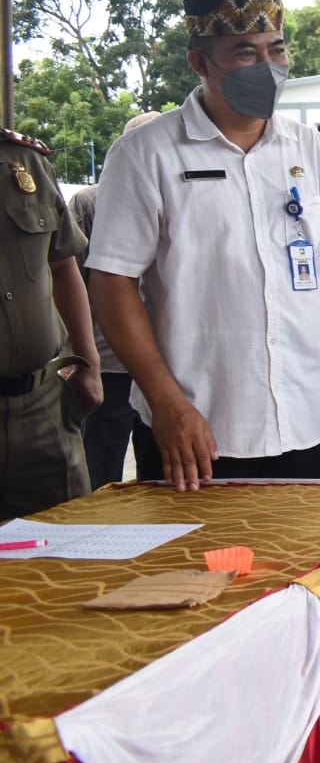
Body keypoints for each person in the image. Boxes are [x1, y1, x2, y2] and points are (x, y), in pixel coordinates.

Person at [87, 0, 320, 489]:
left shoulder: (310, 150)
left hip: (304, 424)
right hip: (193, 430)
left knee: (300, 567)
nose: (268, 67)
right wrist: (165, 403)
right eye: (245, 53)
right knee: (194, 571)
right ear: (200, 63)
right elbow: (112, 283)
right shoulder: (148, 154)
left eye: (276, 49)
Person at [0, 128, 101, 521]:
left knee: (67, 551)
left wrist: (87, 361)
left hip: (40, 407)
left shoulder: (23, 162)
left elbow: (63, 266)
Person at [68, 111, 161, 487]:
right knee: (100, 472)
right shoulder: (91, 202)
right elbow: (67, 279)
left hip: (165, 366)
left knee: (162, 479)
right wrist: (77, 354)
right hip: (110, 364)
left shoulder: (181, 197)